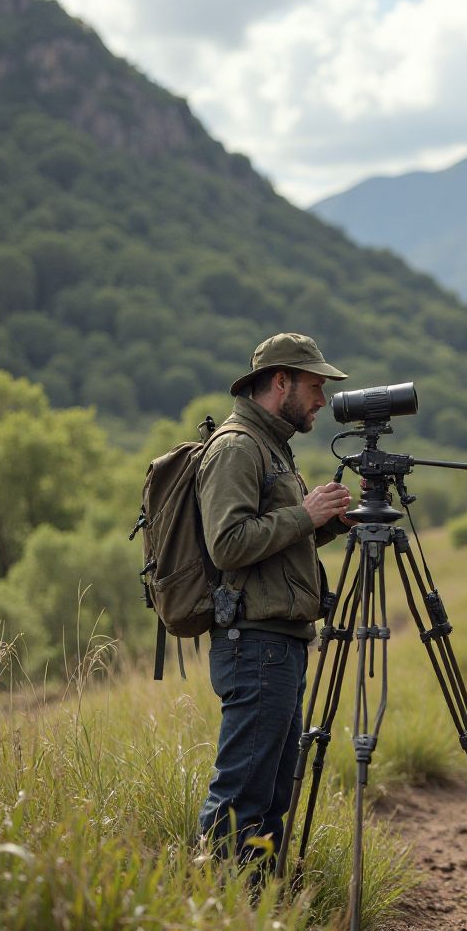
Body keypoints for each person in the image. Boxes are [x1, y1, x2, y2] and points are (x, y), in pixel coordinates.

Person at [196, 332, 353, 862]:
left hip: (278, 643)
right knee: (242, 796)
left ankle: (261, 920)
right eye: (314, 385)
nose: (322, 400)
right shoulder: (238, 447)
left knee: (272, 798)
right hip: (255, 644)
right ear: (280, 381)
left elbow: (276, 545)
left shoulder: (273, 448)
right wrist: (303, 515)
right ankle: (218, 915)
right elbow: (228, 544)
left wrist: (323, 523)